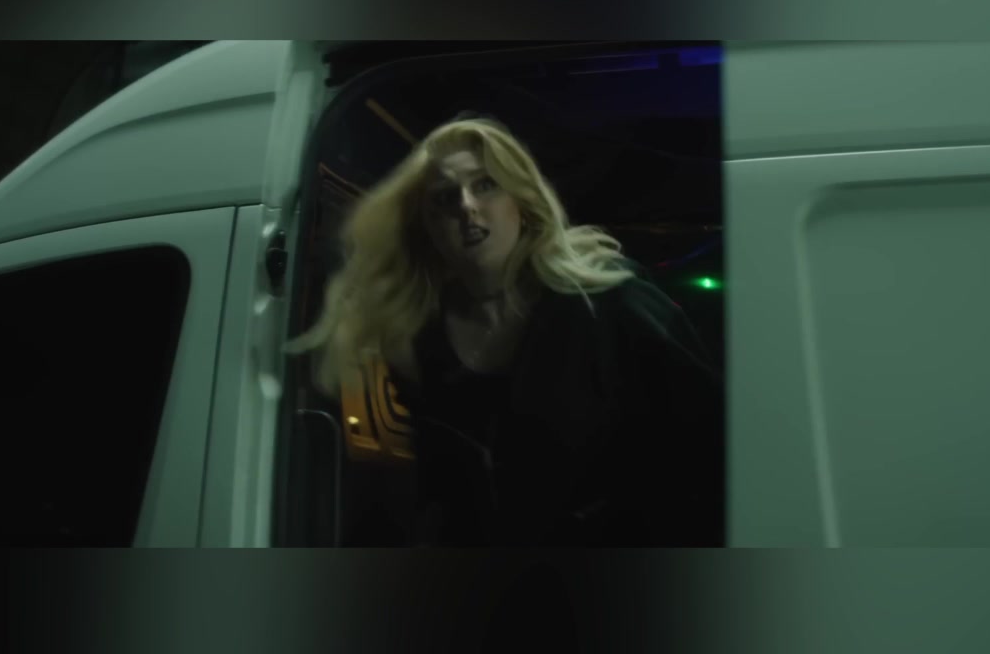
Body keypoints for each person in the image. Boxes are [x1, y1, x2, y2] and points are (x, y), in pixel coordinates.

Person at [286, 115, 724, 546]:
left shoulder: (609, 302)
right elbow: (430, 492)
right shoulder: (419, 337)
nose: (466, 206)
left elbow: (709, 453)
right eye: (445, 197)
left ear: (522, 201)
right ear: (427, 228)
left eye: (485, 185)